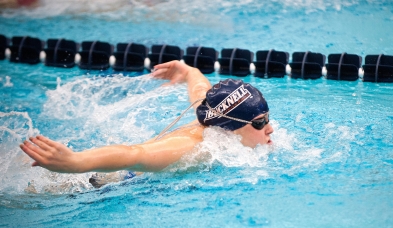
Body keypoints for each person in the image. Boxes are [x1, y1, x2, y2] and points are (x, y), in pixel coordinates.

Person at [19, 61, 274, 177]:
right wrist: (75, 162)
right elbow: (135, 154)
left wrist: (189, 71)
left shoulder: (214, 116)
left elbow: (201, 94)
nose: (270, 128)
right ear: (232, 127)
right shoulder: (195, 147)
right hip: (92, 184)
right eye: (260, 122)